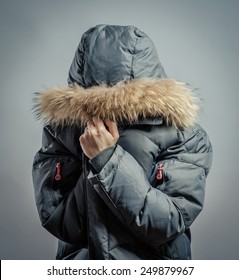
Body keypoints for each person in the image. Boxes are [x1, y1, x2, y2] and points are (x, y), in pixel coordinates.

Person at [32, 24, 213, 260]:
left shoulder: (185, 136)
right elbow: (61, 223)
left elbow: (167, 222)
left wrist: (107, 160)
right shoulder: (61, 133)